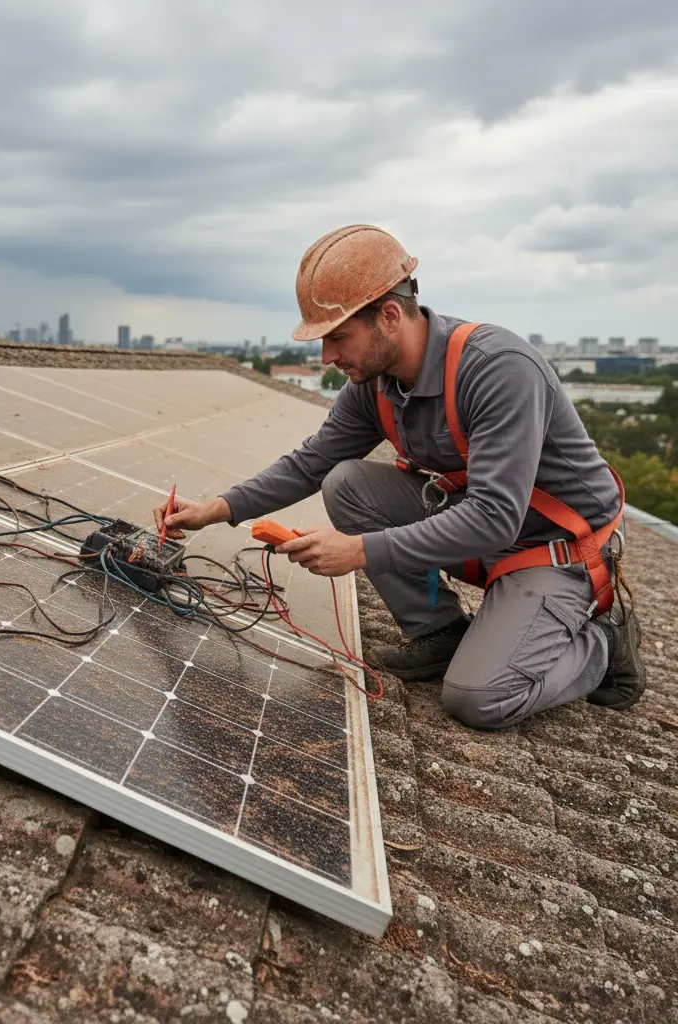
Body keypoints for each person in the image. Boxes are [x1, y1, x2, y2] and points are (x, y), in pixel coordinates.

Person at [154, 224, 646, 730]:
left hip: (558, 548)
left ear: (389, 315)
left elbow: (496, 517)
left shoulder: (498, 369)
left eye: (338, 336)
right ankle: (441, 632)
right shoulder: (377, 383)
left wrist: (361, 550)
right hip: (484, 528)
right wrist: (217, 509)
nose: (327, 356)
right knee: (346, 482)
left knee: (479, 698)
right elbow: (311, 462)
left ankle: (603, 646)